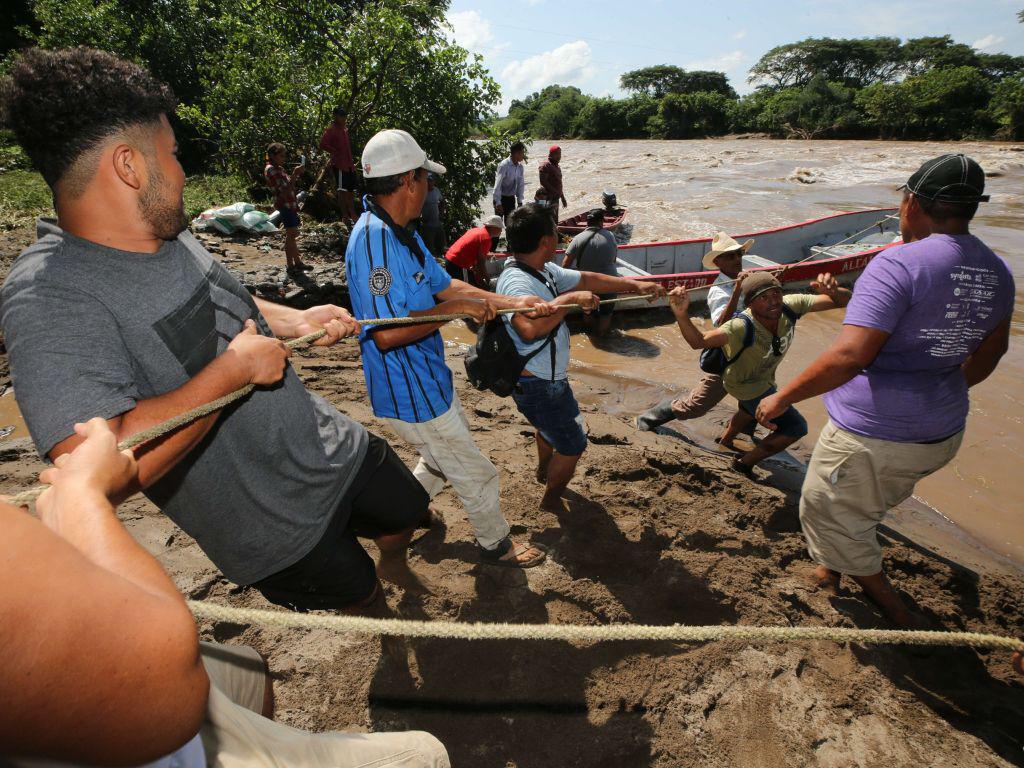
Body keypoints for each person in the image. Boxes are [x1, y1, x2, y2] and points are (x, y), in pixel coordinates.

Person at [1, 47, 431, 618]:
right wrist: (234, 374)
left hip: (329, 447)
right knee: (364, 599)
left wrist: (296, 318)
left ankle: (393, 556)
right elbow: (91, 464)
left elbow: (225, 297)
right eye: (174, 155)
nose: (182, 172)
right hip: (271, 526)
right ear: (129, 167)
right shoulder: (49, 294)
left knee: (407, 511)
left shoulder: (166, 229)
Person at [0, 418, 449, 767]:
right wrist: (82, 501)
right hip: (147, 703)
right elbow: (163, 684)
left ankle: (264, 741)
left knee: (249, 672)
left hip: (165, 683)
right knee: (425, 752)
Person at [754, 154, 1015, 629]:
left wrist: (782, 397)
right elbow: (991, 354)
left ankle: (890, 607)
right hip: (941, 430)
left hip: (875, 434)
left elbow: (850, 356)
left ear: (911, 201)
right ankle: (829, 572)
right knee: (862, 502)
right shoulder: (997, 270)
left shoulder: (896, 262)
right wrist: (939, 388)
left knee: (824, 508)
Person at [346, 129, 552, 568]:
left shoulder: (402, 232)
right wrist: (457, 309)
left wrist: (510, 300)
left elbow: (447, 286)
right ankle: (496, 544)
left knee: (440, 457)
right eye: (426, 179)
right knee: (474, 470)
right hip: (409, 389)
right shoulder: (372, 243)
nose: (429, 188)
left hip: (429, 380)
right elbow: (384, 332)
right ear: (408, 181)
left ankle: (405, 513)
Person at [496, 203, 665, 512]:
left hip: (545, 380)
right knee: (573, 445)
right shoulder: (517, 282)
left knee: (548, 428)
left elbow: (587, 279)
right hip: (539, 384)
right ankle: (550, 500)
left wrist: (636, 285)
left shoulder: (541, 269)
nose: (560, 238)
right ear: (546, 241)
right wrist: (569, 301)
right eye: (555, 233)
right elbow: (528, 330)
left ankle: (544, 470)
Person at [668, 271, 850, 475]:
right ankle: (743, 463)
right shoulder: (740, 326)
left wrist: (834, 291)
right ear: (750, 304)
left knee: (749, 409)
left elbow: (842, 301)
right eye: (763, 298)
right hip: (742, 383)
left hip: (764, 377)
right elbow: (699, 341)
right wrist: (681, 314)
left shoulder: (789, 305)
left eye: (775, 295)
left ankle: (725, 440)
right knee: (796, 427)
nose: (773, 302)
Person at [636, 232, 754, 434]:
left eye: (738, 255)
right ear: (717, 262)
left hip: (750, 351)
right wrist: (737, 290)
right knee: (696, 405)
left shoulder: (744, 279)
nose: (737, 260)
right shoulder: (718, 290)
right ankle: (646, 419)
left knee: (754, 395)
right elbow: (724, 325)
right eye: (730, 256)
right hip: (729, 357)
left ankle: (738, 434)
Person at [561, 208, 621, 336]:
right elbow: (614, 259)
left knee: (588, 312)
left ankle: (591, 337)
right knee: (606, 314)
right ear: (601, 222)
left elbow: (565, 265)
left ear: (587, 222)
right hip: (609, 283)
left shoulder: (577, 239)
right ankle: (602, 337)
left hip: (588, 284)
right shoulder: (610, 236)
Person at [264, 141, 310, 275]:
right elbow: (283, 189)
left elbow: (291, 185)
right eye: (282, 156)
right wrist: (295, 174)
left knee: (292, 235)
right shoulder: (271, 170)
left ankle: (297, 262)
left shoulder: (280, 169)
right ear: (273, 156)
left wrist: (295, 175)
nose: (284, 159)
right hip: (285, 205)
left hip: (290, 204)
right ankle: (290, 265)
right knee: (291, 235)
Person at [319, 106, 357, 222]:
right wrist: (335, 151)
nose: (344, 118)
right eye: (341, 116)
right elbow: (323, 144)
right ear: (335, 116)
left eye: (344, 116)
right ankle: (344, 216)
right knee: (341, 190)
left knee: (350, 190)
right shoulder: (331, 129)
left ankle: (353, 214)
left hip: (349, 164)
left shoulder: (344, 129)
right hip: (340, 164)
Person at [444, 215, 503, 288]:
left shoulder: (476, 230)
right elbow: (481, 263)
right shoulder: (486, 238)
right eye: (500, 228)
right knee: (465, 289)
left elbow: (473, 253)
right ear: (493, 227)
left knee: (466, 285)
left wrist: (477, 274)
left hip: (450, 259)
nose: (501, 231)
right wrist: (489, 282)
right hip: (458, 263)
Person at [493, 140, 525, 224]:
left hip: (510, 198)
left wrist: (520, 201)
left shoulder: (520, 167)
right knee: (497, 225)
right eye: (522, 153)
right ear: (516, 153)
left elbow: (520, 185)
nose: (523, 155)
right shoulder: (504, 165)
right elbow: (497, 185)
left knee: (510, 225)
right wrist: (498, 203)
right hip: (500, 198)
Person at [538, 144, 568, 225]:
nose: (559, 156)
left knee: (554, 221)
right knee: (545, 221)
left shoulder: (557, 166)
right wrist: (555, 191)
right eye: (557, 154)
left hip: (555, 198)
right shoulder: (545, 165)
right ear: (551, 154)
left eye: (560, 154)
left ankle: (554, 236)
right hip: (545, 198)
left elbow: (559, 183)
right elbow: (543, 182)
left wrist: (562, 197)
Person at [419, 173, 446, 257]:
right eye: (428, 181)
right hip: (427, 224)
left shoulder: (436, 190)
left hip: (437, 222)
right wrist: (421, 218)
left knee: (442, 244)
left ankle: (443, 260)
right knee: (429, 247)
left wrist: (442, 214)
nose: (430, 182)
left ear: (434, 182)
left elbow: (442, 202)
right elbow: (416, 206)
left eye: (431, 181)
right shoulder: (422, 192)